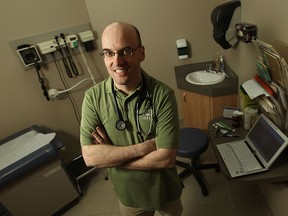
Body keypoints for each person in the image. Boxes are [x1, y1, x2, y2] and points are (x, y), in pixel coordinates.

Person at [80, 21, 183, 216]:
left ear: (141, 53)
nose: (117, 62)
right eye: (108, 53)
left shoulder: (162, 95)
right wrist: (144, 147)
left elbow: (166, 159)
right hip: (129, 197)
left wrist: (111, 157)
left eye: (125, 51)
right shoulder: (93, 98)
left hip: (165, 190)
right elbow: (90, 157)